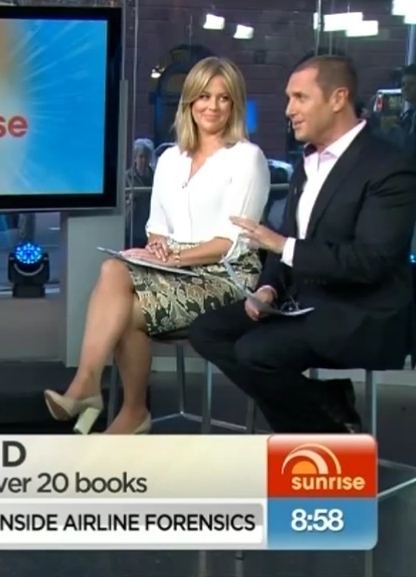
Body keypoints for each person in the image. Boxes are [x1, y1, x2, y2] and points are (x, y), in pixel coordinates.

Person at [187, 55, 416, 434]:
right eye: (288, 99)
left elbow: (371, 260)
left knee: (257, 353)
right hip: (304, 301)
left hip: (363, 312)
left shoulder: (390, 166)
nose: (289, 110)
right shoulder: (307, 163)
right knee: (207, 331)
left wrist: (282, 246)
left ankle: (325, 444)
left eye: (300, 98)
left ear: (338, 98)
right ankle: (323, 403)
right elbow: (286, 243)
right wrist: (267, 288)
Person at [44, 57, 270, 435]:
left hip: (226, 276)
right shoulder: (169, 159)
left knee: (124, 307)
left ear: (235, 104)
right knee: (115, 272)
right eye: (203, 96)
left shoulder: (247, 158)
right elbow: (158, 229)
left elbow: (230, 242)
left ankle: (108, 399)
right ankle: (104, 395)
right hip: (175, 270)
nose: (212, 106)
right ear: (189, 101)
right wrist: (157, 250)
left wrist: (175, 257)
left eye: (223, 98)